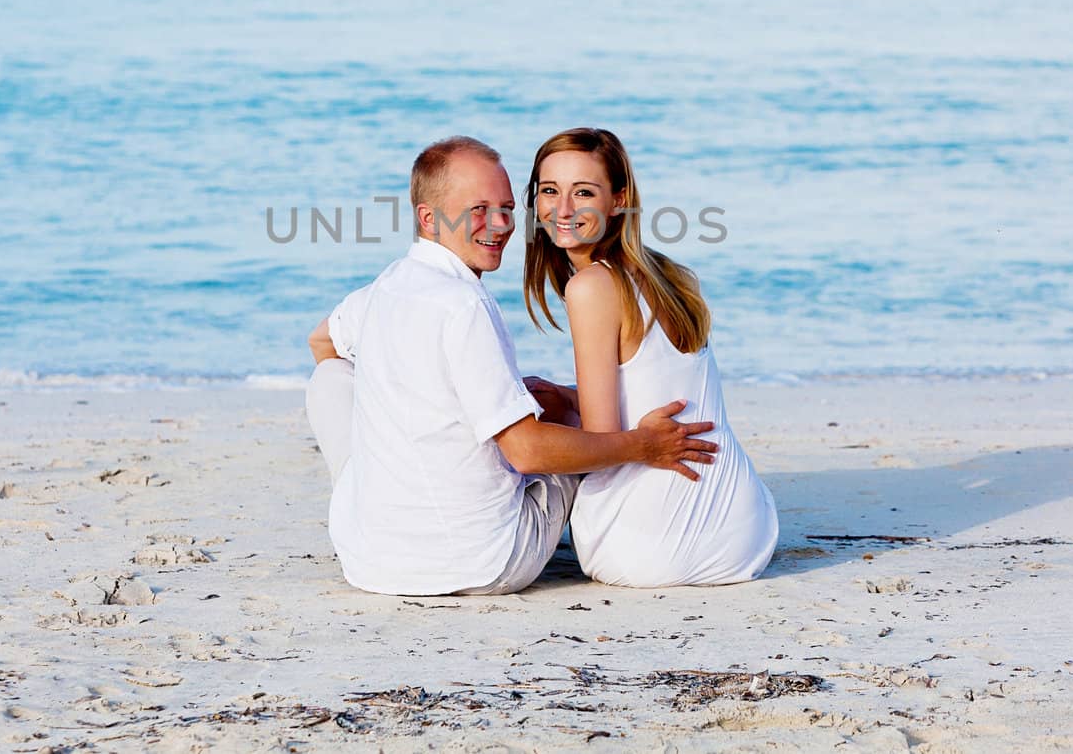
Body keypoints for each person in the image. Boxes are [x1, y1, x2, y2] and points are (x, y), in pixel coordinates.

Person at [305, 135, 719, 596]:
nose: (500, 224)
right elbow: (528, 453)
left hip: (369, 560)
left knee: (331, 378)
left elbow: (321, 342)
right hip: (485, 562)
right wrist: (642, 446)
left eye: (506, 207)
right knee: (563, 421)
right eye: (478, 209)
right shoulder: (464, 305)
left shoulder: (385, 289)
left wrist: (405, 413)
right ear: (429, 218)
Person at [523, 127, 778, 587]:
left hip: (647, 550)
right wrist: (569, 394)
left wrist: (543, 424)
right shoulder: (673, 276)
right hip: (746, 533)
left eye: (583, 192)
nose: (561, 210)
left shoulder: (590, 287)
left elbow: (601, 443)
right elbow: (657, 382)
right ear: (534, 199)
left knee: (531, 438)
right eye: (549, 191)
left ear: (618, 200)